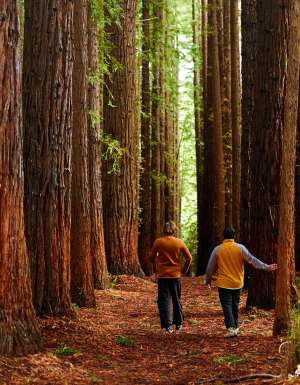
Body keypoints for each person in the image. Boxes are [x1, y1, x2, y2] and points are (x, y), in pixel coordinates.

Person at [205, 227, 277, 338]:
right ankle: (235, 326)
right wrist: (266, 267)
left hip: (224, 284)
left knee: (227, 306)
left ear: (223, 236)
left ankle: (231, 328)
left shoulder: (218, 249)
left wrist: (208, 280)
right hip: (238, 283)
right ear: (234, 236)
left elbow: (210, 267)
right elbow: (252, 260)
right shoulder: (240, 248)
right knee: (235, 305)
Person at [146, 221, 192, 333]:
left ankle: (167, 325)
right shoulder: (179, 242)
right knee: (176, 298)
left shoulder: (159, 242)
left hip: (163, 276)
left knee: (164, 300)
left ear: (164, 229)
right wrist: (183, 271)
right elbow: (189, 258)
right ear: (174, 230)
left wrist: (154, 263)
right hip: (176, 275)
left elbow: (151, 258)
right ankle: (179, 323)